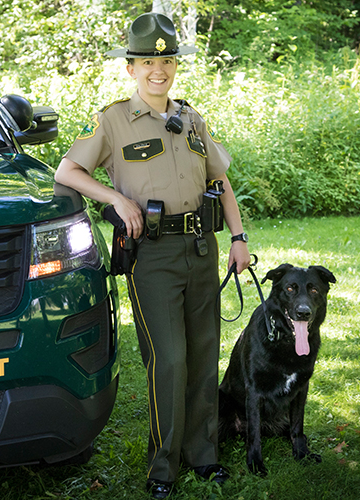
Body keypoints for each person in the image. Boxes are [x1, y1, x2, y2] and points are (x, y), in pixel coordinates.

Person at [54, 12, 251, 499]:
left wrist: (239, 238)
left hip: (202, 249)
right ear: (131, 68)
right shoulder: (112, 119)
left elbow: (220, 181)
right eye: (147, 61)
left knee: (204, 356)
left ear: (174, 65)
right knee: (169, 360)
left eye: (165, 60)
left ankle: (202, 456)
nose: (157, 70)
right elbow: (67, 171)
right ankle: (162, 467)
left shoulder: (191, 118)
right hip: (153, 256)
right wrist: (116, 199)